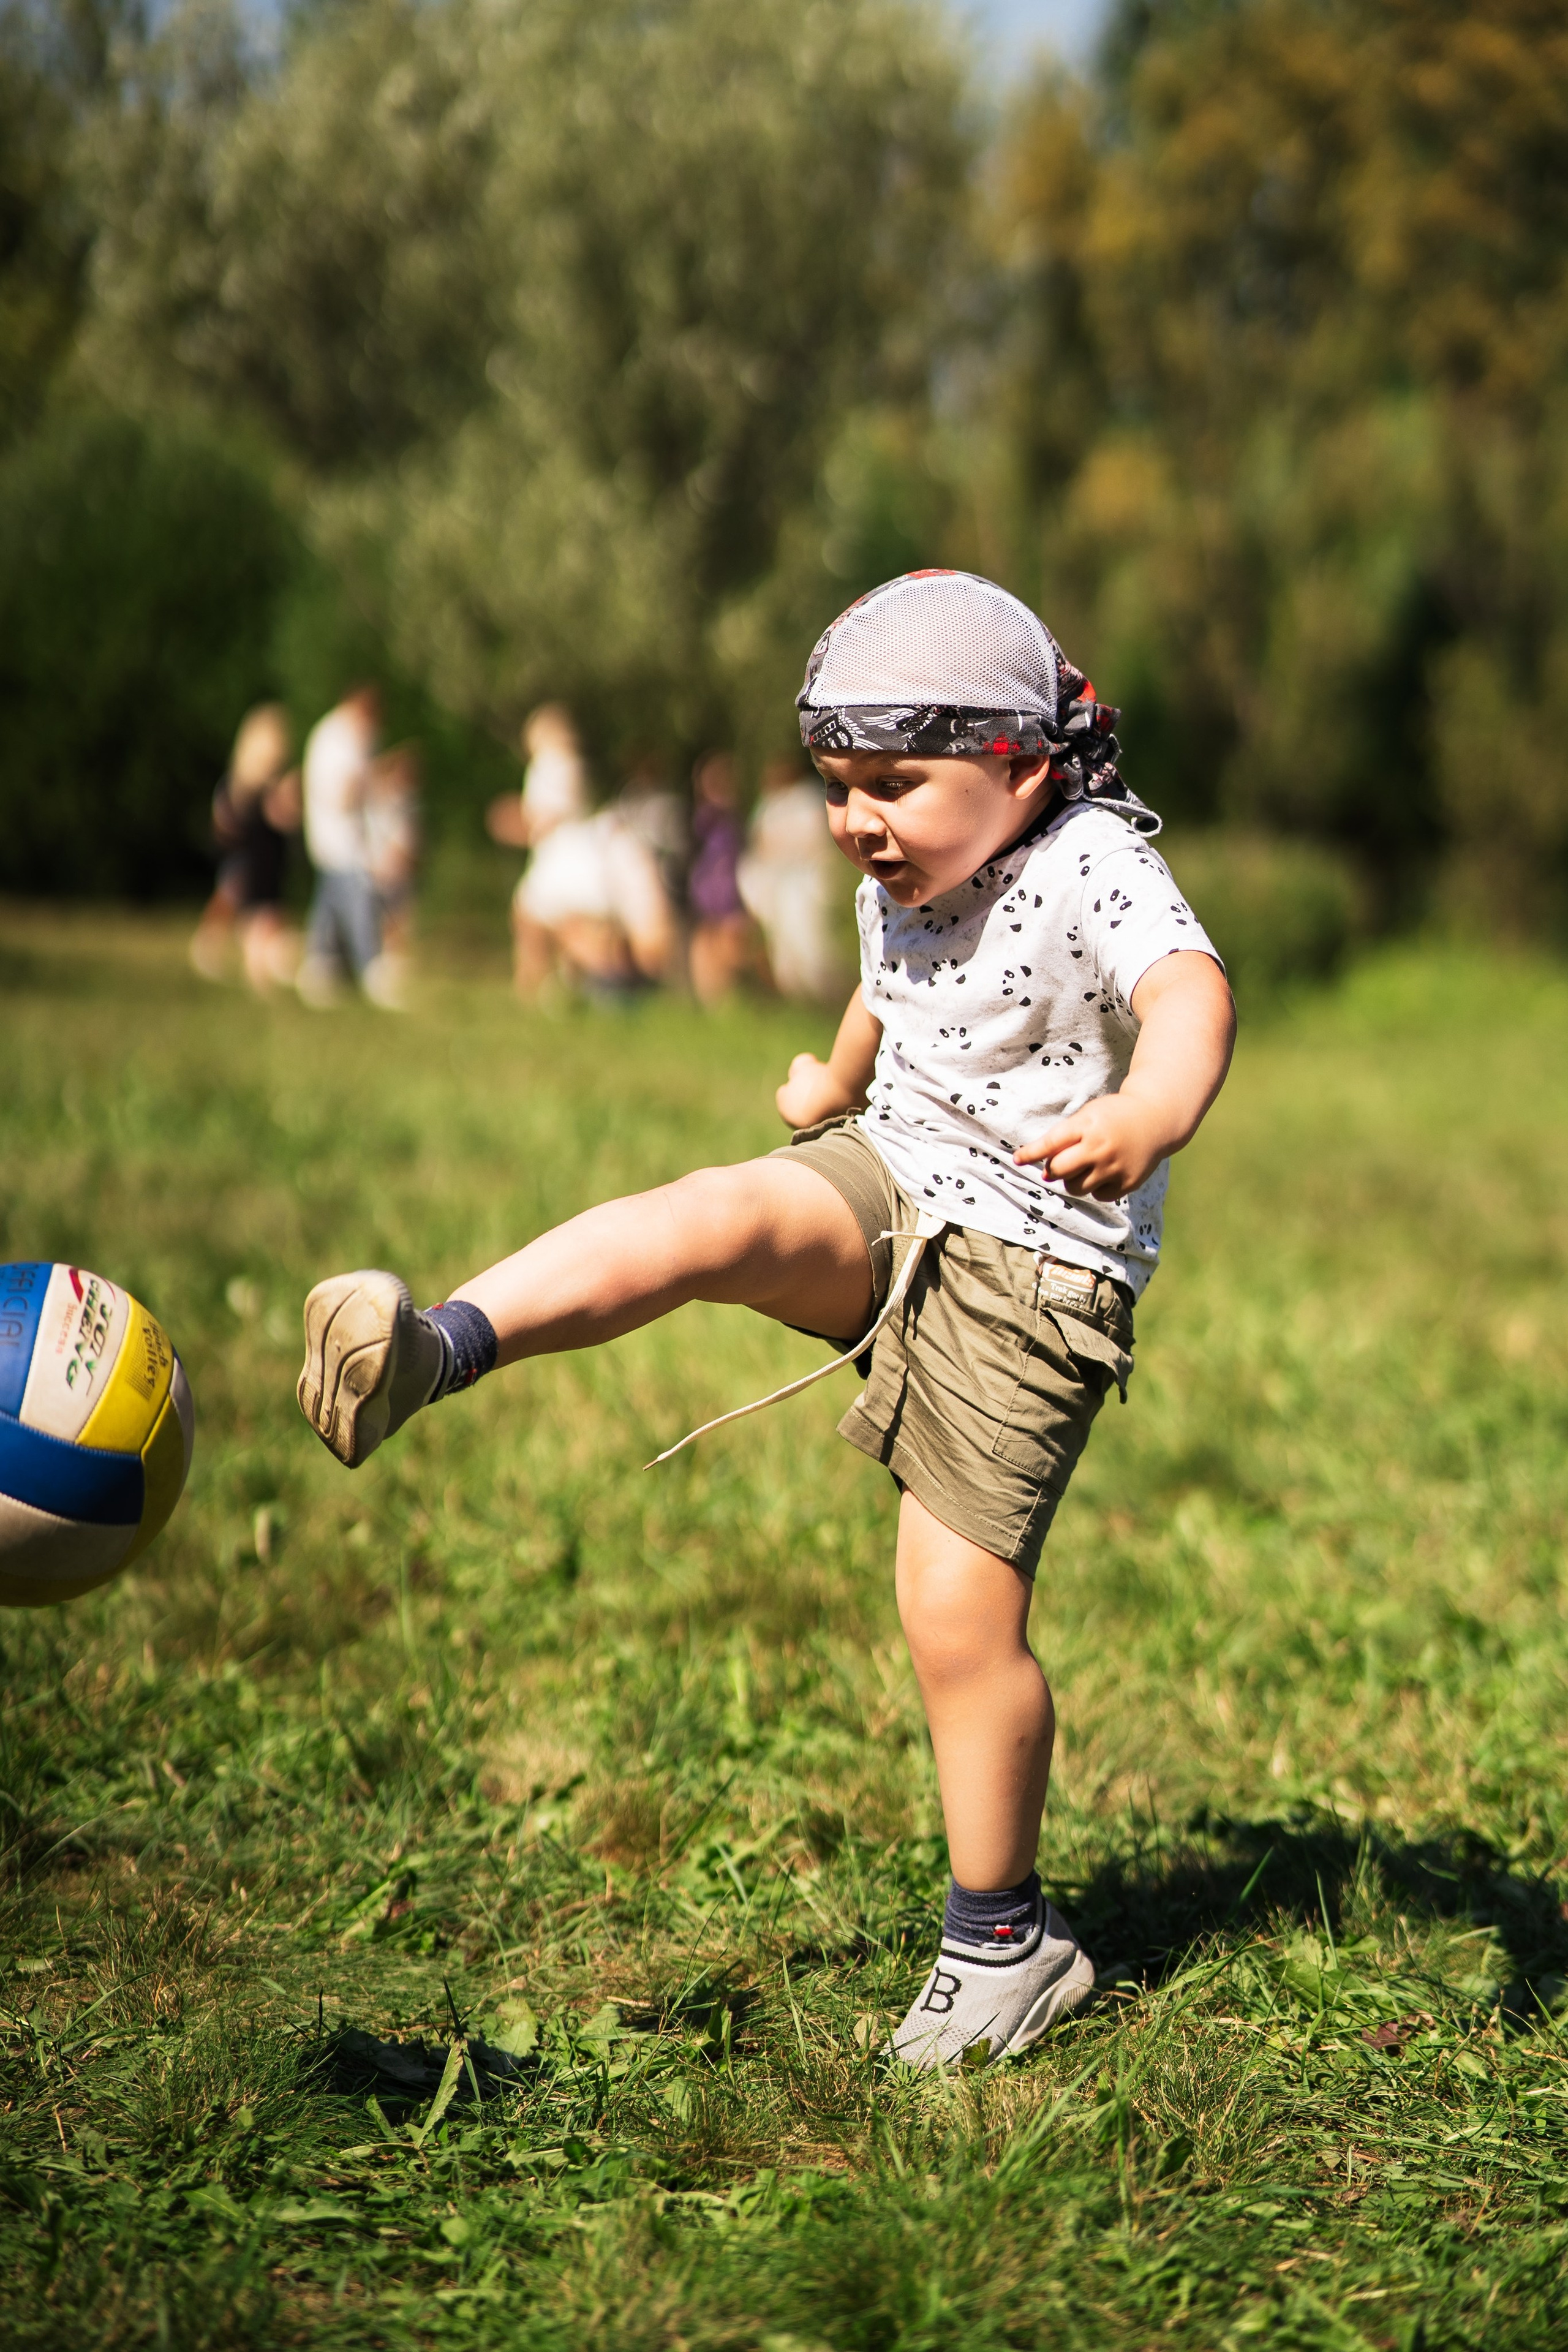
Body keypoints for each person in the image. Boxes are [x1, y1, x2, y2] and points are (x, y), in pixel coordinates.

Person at [295, 572, 1234, 2071]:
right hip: (896, 1175)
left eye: (891, 785)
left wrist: (1149, 1106)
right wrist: (831, 1083)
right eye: (836, 786)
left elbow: (1188, 992)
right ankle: (436, 1343)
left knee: (949, 1609)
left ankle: (1004, 1944)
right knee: (713, 1213)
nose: (857, 821)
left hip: (1032, 1267)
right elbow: (893, 973)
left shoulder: (1090, 865)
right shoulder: (903, 864)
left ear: (1020, 764)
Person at [489, 705, 676, 996]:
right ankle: (558, 984)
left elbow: (552, 816)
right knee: (558, 925)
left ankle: (550, 984)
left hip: (565, 858)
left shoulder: (557, 765)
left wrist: (520, 823)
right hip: (562, 856)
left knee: (545, 921)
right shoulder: (561, 764)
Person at [297, 684, 401, 1009]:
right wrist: (379, 778)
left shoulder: (339, 735)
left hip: (342, 840)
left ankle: (320, 966)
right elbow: (343, 795)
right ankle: (372, 968)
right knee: (360, 904)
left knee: (330, 905)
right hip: (341, 839)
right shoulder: (339, 739)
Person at [189, 703, 301, 992]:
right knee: (247, 911)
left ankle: (233, 958)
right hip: (248, 861)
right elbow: (229, 824)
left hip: (261, 861)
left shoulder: (254, 784)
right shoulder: (244, 786)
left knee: (251, 913)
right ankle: (237, 962)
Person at [739, 753, 847, 1001]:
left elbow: (814, 841)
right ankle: (794, 996)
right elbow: (760, 843)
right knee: (783, 944)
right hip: (777, 884)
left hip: (804, 883)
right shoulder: (770, 804)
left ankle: (821, 995)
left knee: (809, 938)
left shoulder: (807, 799)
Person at [687, 751, 760, 1005]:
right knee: (711, 943)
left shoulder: (733, 819)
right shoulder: (707, 817)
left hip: (728, 886)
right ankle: (716, 1001)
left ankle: (734, 998)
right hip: (712, 886)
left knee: (732, 944)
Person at [364, 741, 423, 989]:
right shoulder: (378, 801)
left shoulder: (408, 802)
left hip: (399, 869)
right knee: (378, 918)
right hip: (378, 867)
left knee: (397, 918)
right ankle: (376, 965)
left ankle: (392, 964)